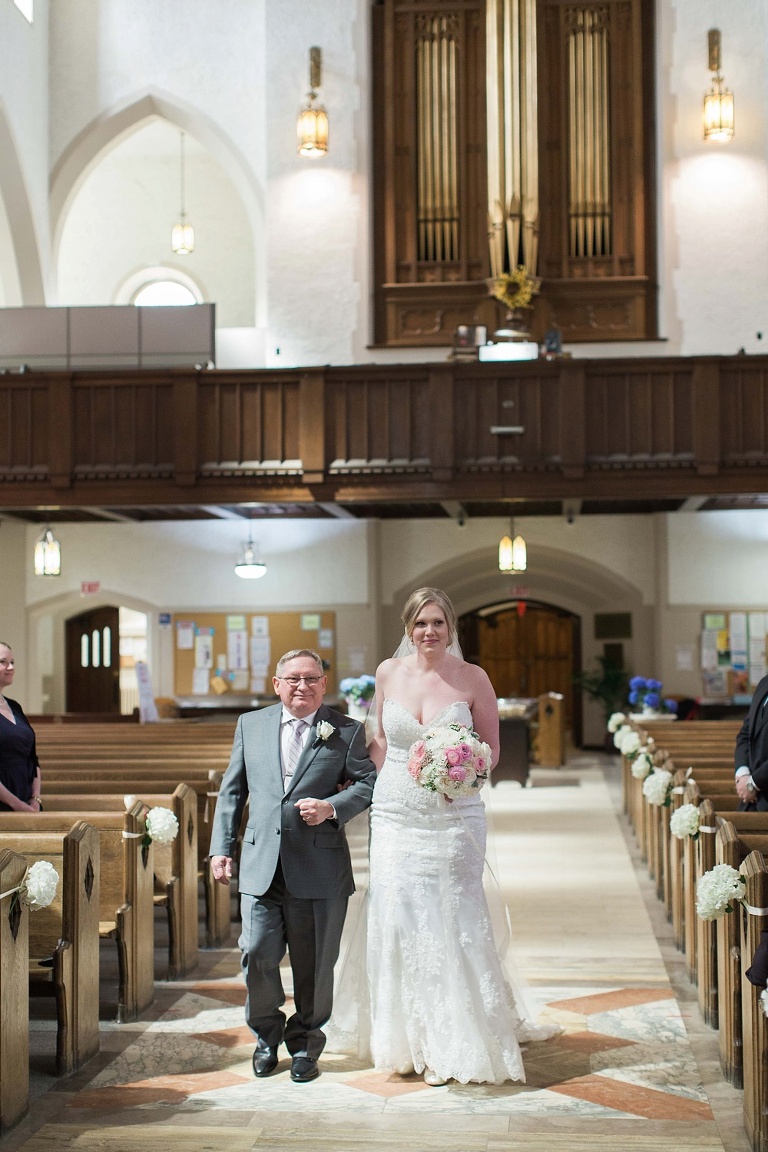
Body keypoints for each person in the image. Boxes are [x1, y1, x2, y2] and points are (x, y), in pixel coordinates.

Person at [363, 587, 559, 1086]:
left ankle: (458, 1036)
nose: (429, 632)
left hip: (454, 815)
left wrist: (463, 775)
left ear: (451, 628)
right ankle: (407, 1039)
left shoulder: (474, 678)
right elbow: (380, 736)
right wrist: (392, 777)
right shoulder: (388, 672)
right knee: (398, 912)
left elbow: (491, 749)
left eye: (438, 623)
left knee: (454, 914)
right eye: (420, 623)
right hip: (394, 815)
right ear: (408, 628)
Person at [209, 648, 376, 1084]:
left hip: (319, 867)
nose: (302, 686)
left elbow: (366, 783)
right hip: (262, 863)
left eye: (311, 678)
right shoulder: (252, 724)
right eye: (293, 679)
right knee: (257, 953)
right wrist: (220, 849)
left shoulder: (346, 730)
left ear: (324, 684)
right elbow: (232, 791)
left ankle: (305, 1044)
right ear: (277, 683)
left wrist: (332, 807)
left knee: (316, 965)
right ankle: (267, 1035)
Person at [0, 641, 42, 813]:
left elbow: (32, 758)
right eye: (3, 662)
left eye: (12, 662)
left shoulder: (14, 707)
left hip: (27, 801)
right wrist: (16, 805)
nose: (10, 667)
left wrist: (35, 799)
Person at [734, 672, 768, 810]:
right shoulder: (764, 683)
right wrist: (742, 773)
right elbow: (745, 733)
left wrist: (753, 783)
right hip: (752, 801)